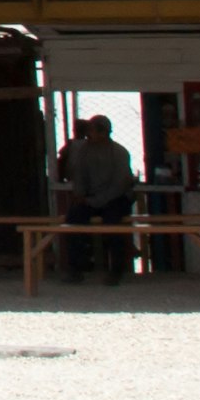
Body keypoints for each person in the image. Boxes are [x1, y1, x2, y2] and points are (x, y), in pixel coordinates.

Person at [57, 113, 138, 284]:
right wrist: (80, 195)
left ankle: (116, 270)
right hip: (91, 197)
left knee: (112, 222)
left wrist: (94, 201)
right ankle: (75, 269)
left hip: (116, 198)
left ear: (104, 132)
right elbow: (79, 175)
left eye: (92, 131)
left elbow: (120, 185)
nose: (89, 134)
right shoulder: (84, 150)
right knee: (73, 219)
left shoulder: (119, 152)